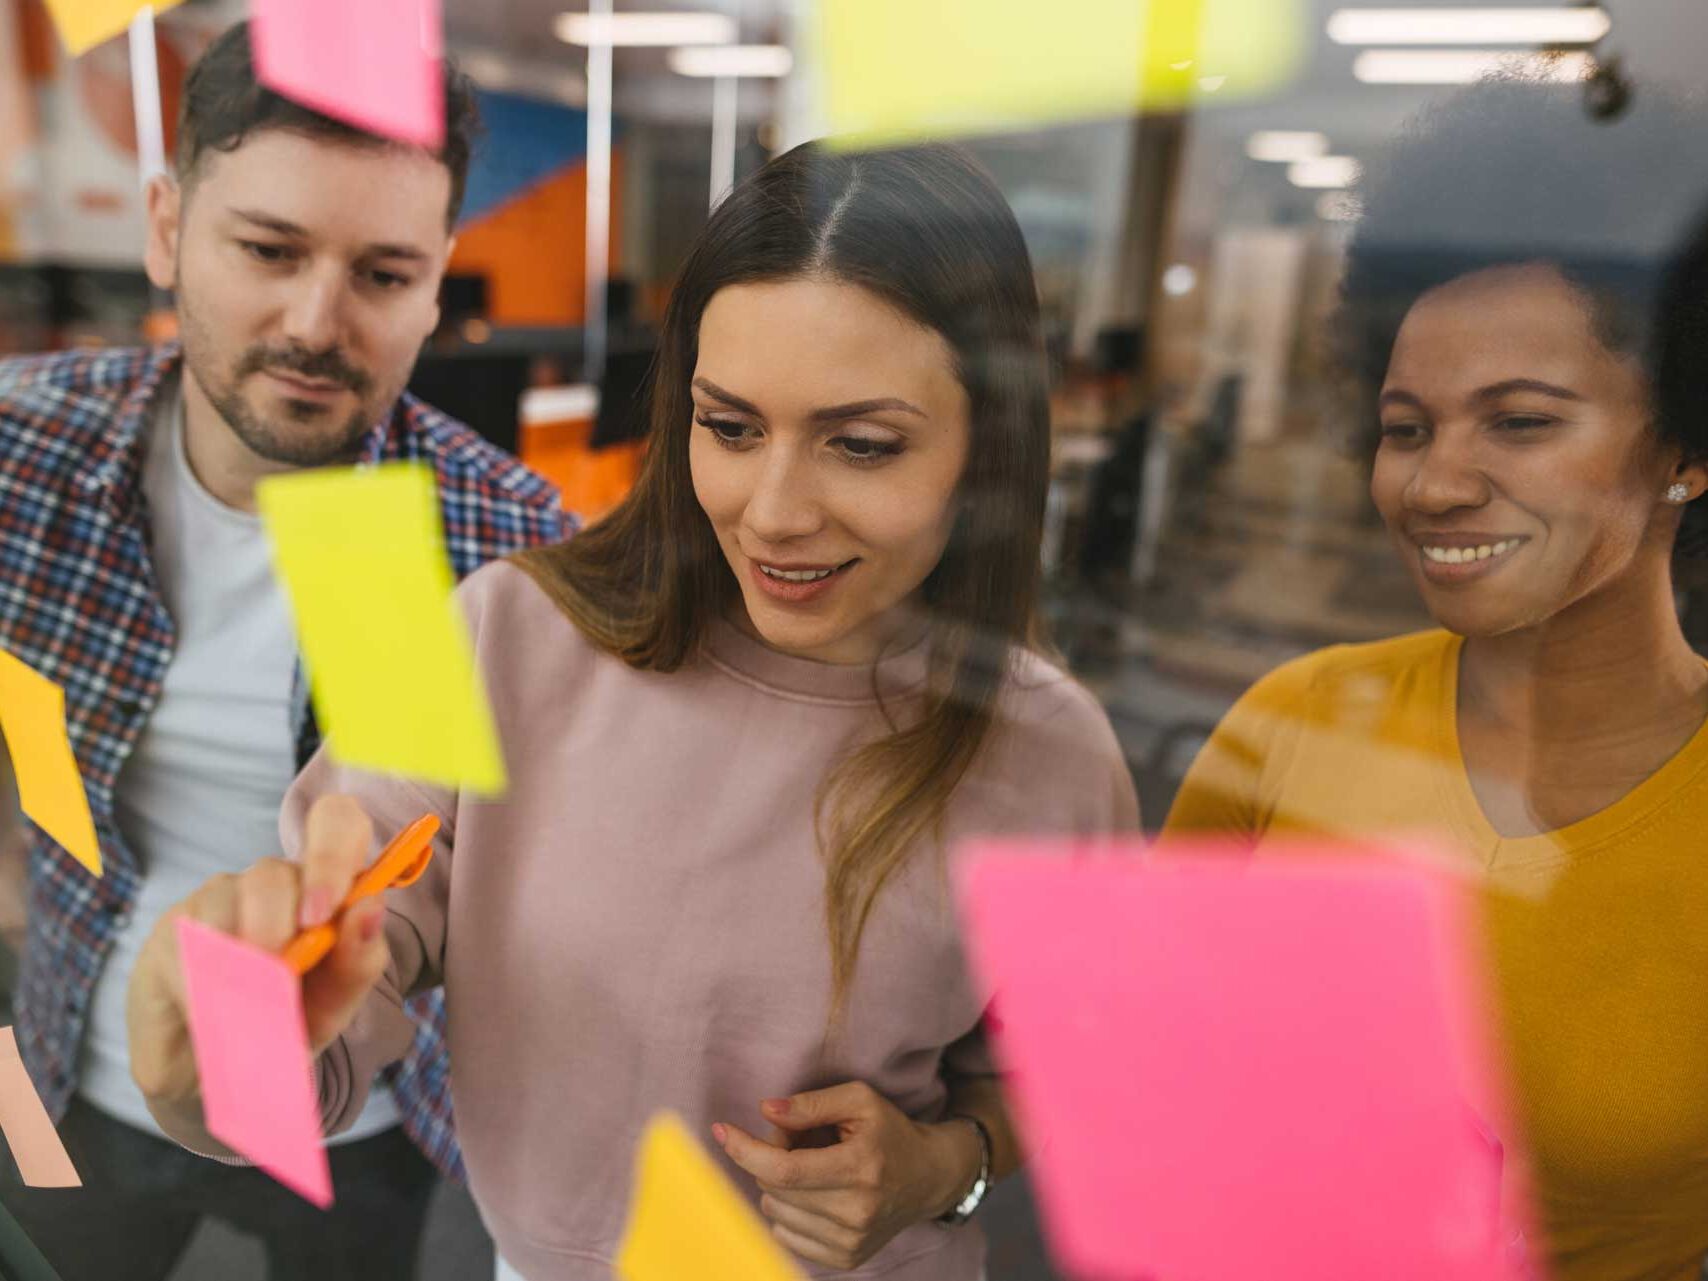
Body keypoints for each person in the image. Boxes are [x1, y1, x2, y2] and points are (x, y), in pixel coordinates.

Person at [127, 141, 1138, 1280]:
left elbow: (1046, 1073)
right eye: (730, 426)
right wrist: (217, 1055)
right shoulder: (490, 631)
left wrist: (942, 1164)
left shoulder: (1052, 753)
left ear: (986, 450)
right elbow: (347, 985)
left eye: (860, 445)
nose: (772, 513)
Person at [0, 21, 570, 1281]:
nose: (317, 323)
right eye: (267, 249)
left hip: (361, 1105)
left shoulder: (504, 550)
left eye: (381, 274)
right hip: (68, 1057)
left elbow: (456, 889)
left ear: (436, 285)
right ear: (166, 229)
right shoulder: (28, 459)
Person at [1162, 79, 1708, 1281]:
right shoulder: (1294, 727)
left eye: (1516, 423)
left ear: (1682, 449)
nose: (1434, 484)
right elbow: (1147, 1104)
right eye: (1407, 427)